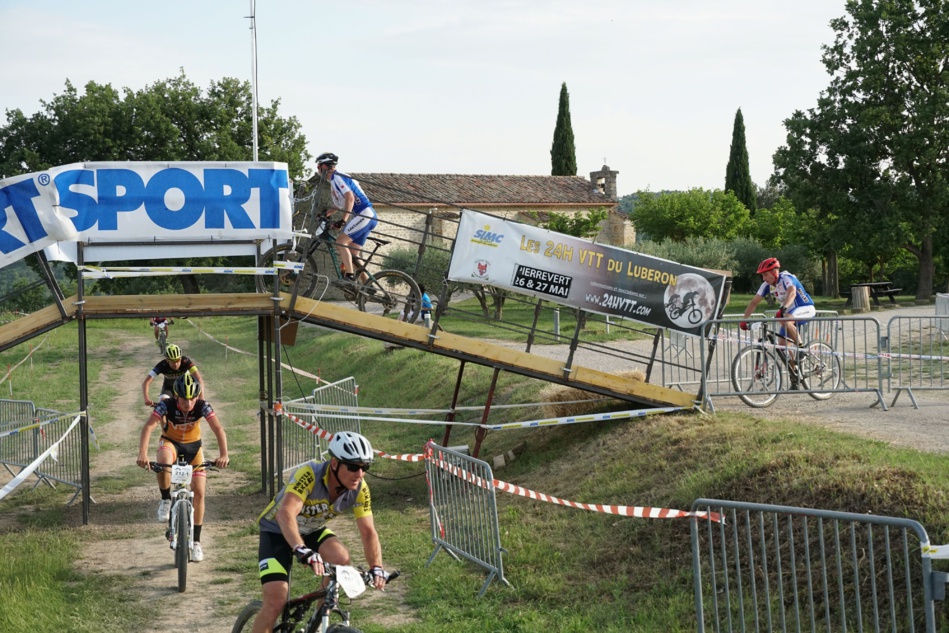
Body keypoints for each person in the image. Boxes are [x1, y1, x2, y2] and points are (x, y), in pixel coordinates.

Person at [250, 431, 388, 633]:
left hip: (312, 529)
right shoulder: (310, 474)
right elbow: (285, 514)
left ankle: (317, 622)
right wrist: (300, 548)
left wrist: (376, 567)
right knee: (276, 601)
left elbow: (368, 532)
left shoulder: (359, 488)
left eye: (365, 467)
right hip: (277, 530)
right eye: (353, 467)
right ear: (335, 463)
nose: (360, 474)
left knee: (340, 559)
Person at [136, 374, 229, 562]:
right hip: (171, 443)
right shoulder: (166, 405)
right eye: (184, 399)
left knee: (200, 492)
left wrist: (224, 454)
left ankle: (196, 542)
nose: (189, 403)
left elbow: (218, 428)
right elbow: (149, 427)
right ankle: (165, 499)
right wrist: (142, 454)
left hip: (194, 448)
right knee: (163, 461)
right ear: (176, 396)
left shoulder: (202, 406)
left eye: (192, 398)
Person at [739, 257, 816, 388]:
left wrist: (784, 308)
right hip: (790, 312)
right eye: (762, 276)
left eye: (766, 275)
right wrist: (744, 320)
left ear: (774, 272)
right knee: (782, 347)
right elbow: (754, 303)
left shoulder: (786, 278)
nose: (764, 278)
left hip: (805, 307)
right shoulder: (766, 285)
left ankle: (802, 350)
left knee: (785, 318)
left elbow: (792, 293)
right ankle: (795, 377)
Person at [315, 152, 379, 285]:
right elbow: (339, 204)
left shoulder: (338, 177)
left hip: (365, 214)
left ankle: (349, 276)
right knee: (353, 255)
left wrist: (343, 220)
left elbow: (349, 198)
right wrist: (326, 214)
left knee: (340, 242)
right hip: (367, 216)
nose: (317, 168)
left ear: (325, 166)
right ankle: (368, 285)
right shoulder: (334, 181)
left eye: (318, 165)